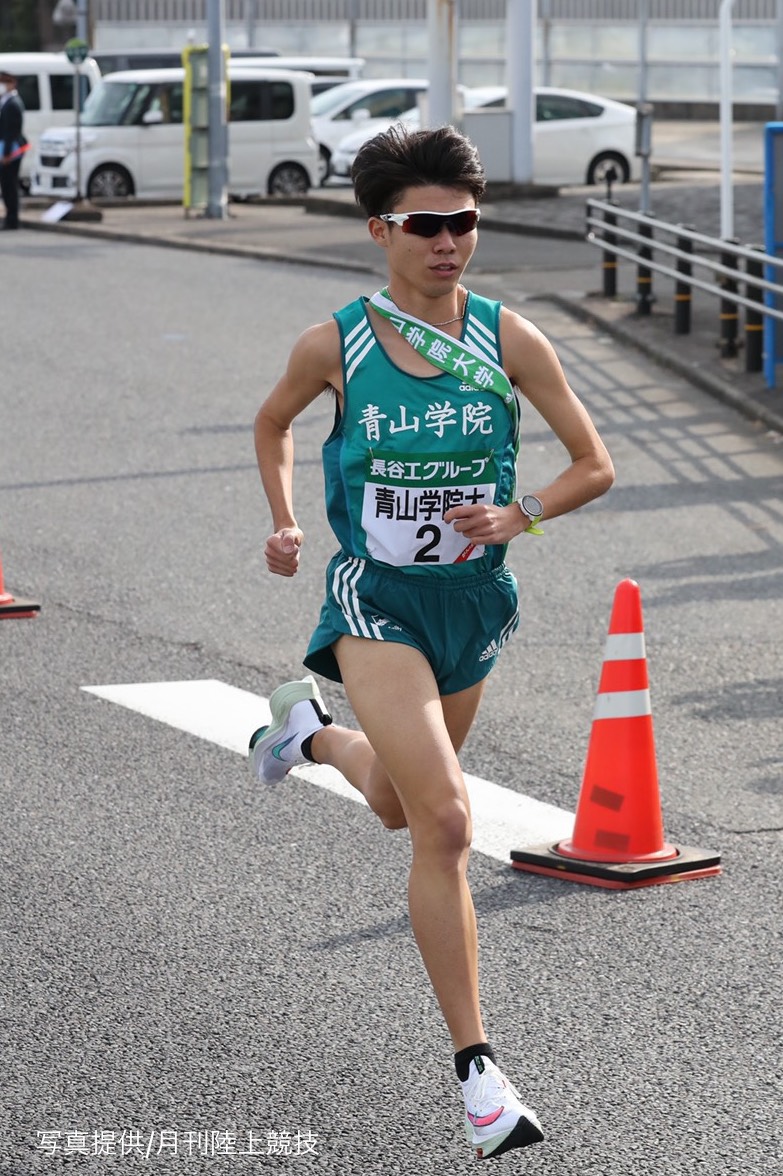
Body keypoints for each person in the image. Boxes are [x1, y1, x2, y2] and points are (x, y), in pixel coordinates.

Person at [250, 124, 614, 1161]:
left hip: (471, 608)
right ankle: (480, 1075)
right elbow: (272, 423)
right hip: (376, 605)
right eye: (427, 224)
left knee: (394, 804)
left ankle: (304, 732)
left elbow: (596, 463)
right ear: (380, 231)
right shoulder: (339, 343)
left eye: (464, 222)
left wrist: (524, 513)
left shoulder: (509, 339)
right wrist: (282, 519)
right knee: (448, 824)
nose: (450, 241)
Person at [0, 70, 26, 230]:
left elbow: (11, 132)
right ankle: (10, 218)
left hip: (11, 151)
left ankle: (12, 219)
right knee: (7, 185)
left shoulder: (13, 104)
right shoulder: (6, 101)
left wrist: (7, 154)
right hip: (7, 149)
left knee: (9, 185)